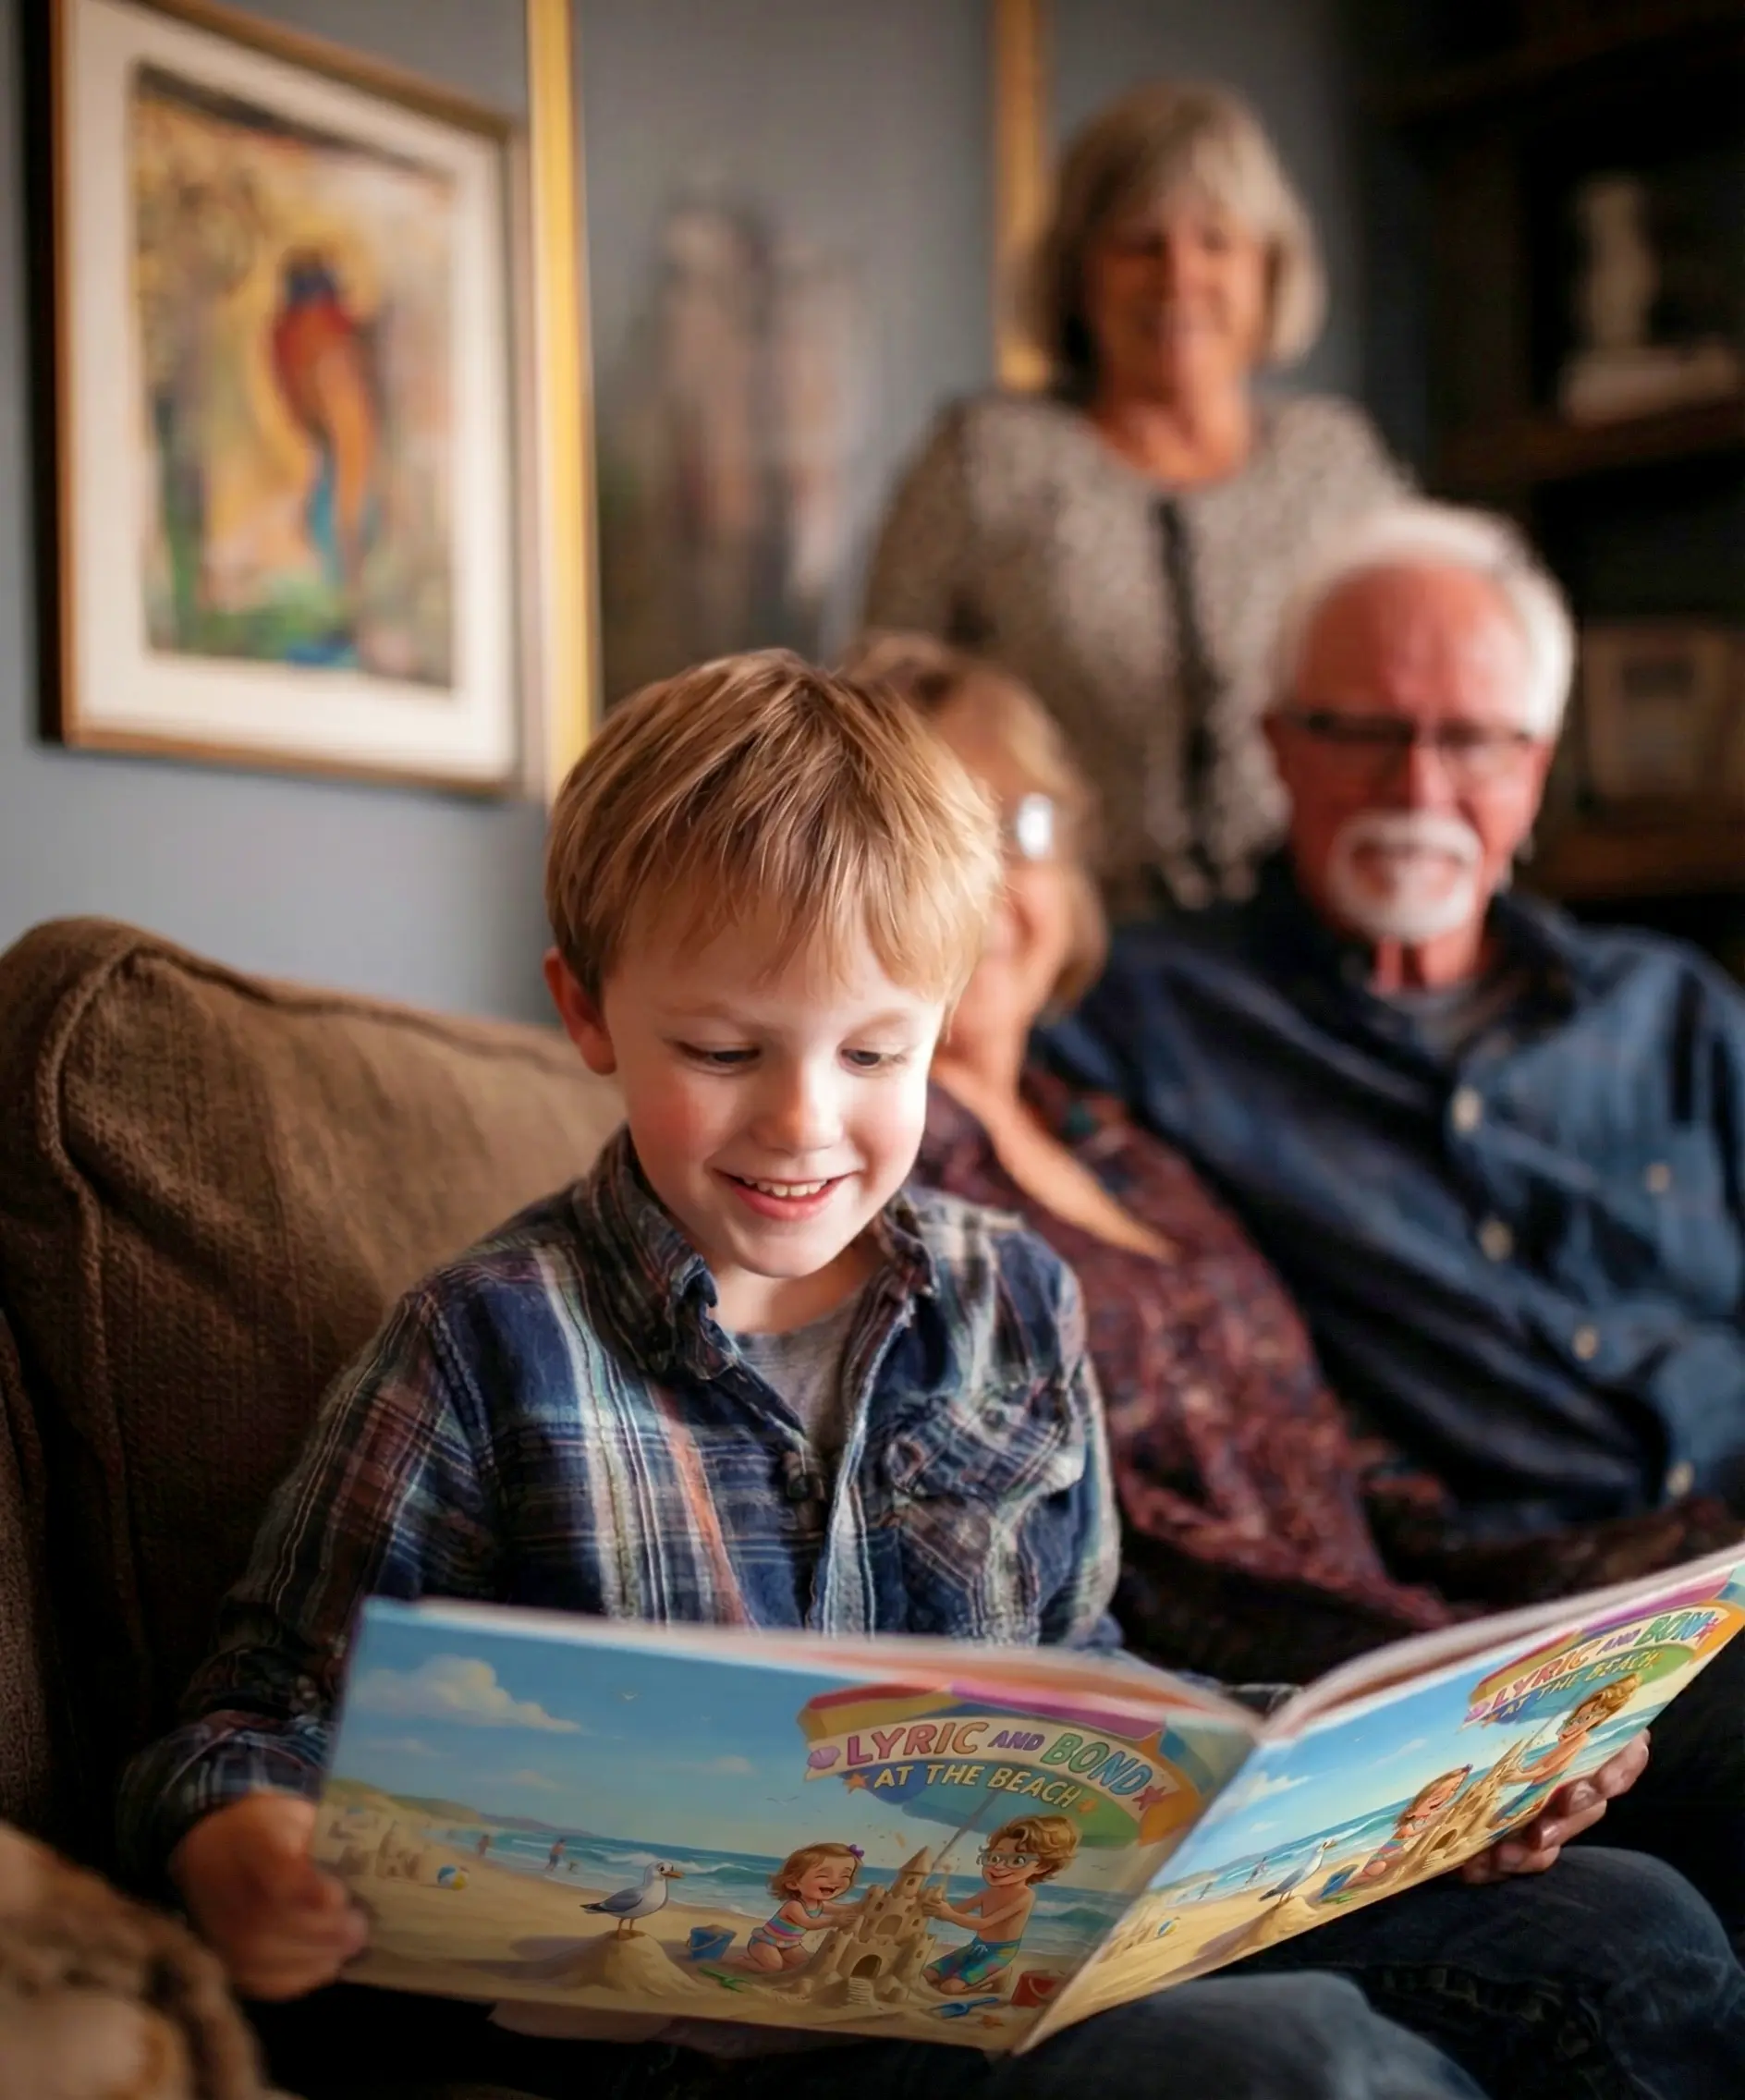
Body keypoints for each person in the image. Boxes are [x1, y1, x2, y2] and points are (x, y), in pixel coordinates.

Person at [116, 652, 1742, 2100]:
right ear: (586, 1011)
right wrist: (238, 1837)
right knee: (1292, 2062)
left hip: (1037, 1934)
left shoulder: (1012, 1298)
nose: (802, 1123)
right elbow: (251, 1710)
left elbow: (1095, 1691)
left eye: (875, 1052)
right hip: (727, 2041)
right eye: (724, 1051)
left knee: (1634, 1931)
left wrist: (1441, 1790)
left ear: (942, 1022)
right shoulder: (485, 1345)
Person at [1043, 498, 1745, 1936]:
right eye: (1360, 730)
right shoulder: (1150, 1021)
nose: (1415, 781)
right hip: (1525, 1631)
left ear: (1537, 769)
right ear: (1277, 746)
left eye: (1474, 738)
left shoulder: (1674, 1014)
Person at [844, 629, 1447, 1681]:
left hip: (1395, 1647)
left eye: (1016, 829)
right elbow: (1128, 1558)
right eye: (932, 839)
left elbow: (1332, 1452)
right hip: (1234, 1710)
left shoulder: (1111, 1132)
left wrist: (1545, 1614)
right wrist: (1432, 1665)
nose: (986, 885)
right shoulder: (874, 1178)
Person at [863, 80, 1406, 916]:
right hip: (1059, 945)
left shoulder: (1335, 464)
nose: (1180, 275)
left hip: (1309, 939)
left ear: (1268, 268)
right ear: (1080, 274)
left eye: (1216, 241)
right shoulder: (986, 457)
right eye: (1140, 244)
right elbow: (881, 709)